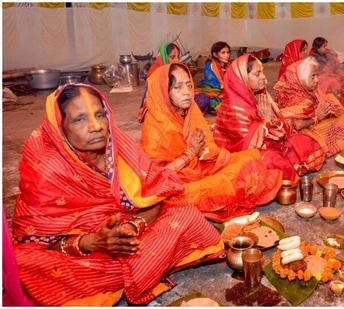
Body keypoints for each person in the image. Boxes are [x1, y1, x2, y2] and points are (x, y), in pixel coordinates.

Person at [11, 84, 225, 306]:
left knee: (186, 214)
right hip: (86, 253)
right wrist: (93, 242)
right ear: (60, 128)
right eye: (79, 119)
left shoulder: (119, 145)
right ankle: (142, 268)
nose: (96, 127)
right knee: (22, 263)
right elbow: (36, 239)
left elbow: (156, 192)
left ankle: (131, 270)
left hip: (131, 232)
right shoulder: (47, 168)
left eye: (100, 115)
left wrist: (133, 227)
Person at [140, 63, 283, 222]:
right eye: (178, 87)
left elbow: (209, 149)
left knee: (251, 158)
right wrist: (189, 154)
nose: (187, 93)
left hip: (201, 167)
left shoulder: (190, 111)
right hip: (177, 186)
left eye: (189, 85)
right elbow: (155, 180)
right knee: (220, 184)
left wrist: (202, 155)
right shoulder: (155, 129)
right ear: (164, 93)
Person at [214, 54, 326, 184]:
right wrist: (266, 121)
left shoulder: (258, 96)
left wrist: (271, 121)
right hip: (242, 155)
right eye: (257, 74)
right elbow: (247, 147)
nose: (263, 77)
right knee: (273, 161)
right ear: (242, 78)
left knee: (304, 141)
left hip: (267, 143)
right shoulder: (233, 109)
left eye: (262, 72)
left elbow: (283, 127)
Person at [273, 56, 344, 157]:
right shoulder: (293, 95)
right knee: (306, 141)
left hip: (313, 122)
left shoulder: (311, 90)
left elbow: (324, 102)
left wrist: (328, 108)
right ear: (300, 79)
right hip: (300, 131)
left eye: (317, 75)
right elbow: (297, 125)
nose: (317, 80)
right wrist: (317, 117)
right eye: (312, 76)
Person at [195, 41, 232, 114]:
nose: (227, 55)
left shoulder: (228, 65)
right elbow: (212, 84)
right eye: (223, 52)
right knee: (216, 104)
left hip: (223, 90)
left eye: (228, 52)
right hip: (211, 90)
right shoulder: (210, 65)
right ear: (215, 54)